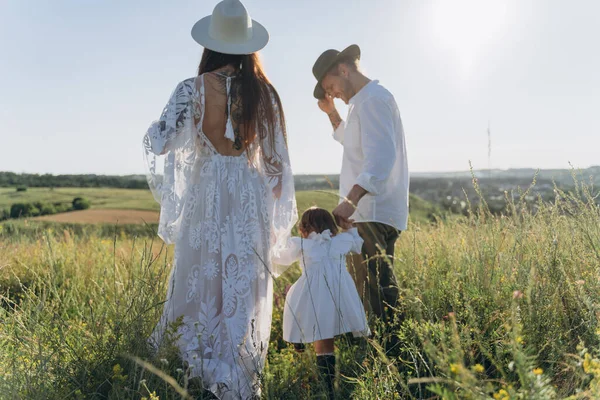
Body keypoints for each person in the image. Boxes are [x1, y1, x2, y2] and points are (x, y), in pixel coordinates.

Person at [143, 1, 297, 398]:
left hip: (207, 193)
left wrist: (157, 128)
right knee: (242, 281)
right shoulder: (266, 95)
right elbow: (278, 169)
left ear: (210, 44)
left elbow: (159, 142)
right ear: (248, 45)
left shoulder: (189, 89)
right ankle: (237, 365)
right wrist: (266, 209)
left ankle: (192, 365)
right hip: (248, 195)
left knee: (201, 273)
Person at [312, 45, 410, 323]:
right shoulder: (362, 103)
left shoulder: (373, 100)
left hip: (371, 211)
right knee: (368, 288)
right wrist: (331, 112)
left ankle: (392, 353)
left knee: (377, 291)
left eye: (331, 86)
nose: (333, 94)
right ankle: (379, 350)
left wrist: (350, 201)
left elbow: (380, 158)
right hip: (369, 211)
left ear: (344, 70)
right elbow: (353, 144)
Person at [274, 207, 370, 400]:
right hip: (340, 292)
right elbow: (358, 244)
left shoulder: (301, 244)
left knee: (309, 316)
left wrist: (275, 237)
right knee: (326, 333)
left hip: (314, 292)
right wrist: (349, 228)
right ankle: (329, 385)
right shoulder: (340, 241)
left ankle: (326, 383)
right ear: (331, 225)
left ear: (303, 228)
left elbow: (280, 257)